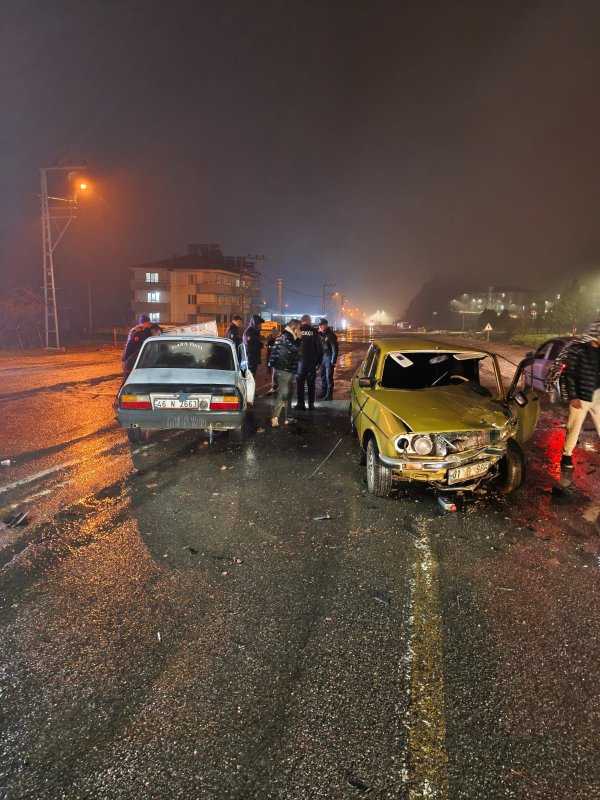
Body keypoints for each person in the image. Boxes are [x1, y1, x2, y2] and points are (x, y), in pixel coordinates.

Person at [560, 320, 600, 469]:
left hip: (598, 396)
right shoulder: (579, 349)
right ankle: (566, 455)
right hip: (581, 396)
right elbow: (568, 375)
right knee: (574, 428)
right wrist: (573, 396)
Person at [269, 319, 301, 426]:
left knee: (289, 393)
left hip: (283, 368)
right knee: (283, 393)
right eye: (299, 328)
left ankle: (289, 417)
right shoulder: (287, 337)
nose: (299, 330)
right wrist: (299, 338)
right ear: (294, 328)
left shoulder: (284, 335)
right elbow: (296, 349)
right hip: (284, 369)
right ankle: (275, 417)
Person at [295, 314, 323, 411]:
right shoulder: (314, 331)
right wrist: (320, 361)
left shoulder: (298, 331)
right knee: (311, 383)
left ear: (301, 321)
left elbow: (294, 346)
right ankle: (311, 404)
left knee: (300, 382)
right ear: (309, 321)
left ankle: (300, 403)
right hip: (311, 361)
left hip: (300, 361)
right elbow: (319, 347)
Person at [317, 318, 339, 400]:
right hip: (323, 358)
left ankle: (329, 395)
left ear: (326, 325)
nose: (321, 326)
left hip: (329, 358)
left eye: (322, 325)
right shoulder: (320, 334)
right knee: (322, 376)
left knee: (328, 377)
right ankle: (323, 393)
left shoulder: (331, 335)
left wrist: (333, 361)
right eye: (320, 325)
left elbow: (335, 349)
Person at [265, 328, 279, 394]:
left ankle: (275, 385)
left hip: (275, 356)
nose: (276, 334)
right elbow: (269, 347)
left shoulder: (276, 338)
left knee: (275, 371)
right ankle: (274, 385)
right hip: (273, 357)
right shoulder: (271, 338)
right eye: (275, 333)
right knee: (274, 371)